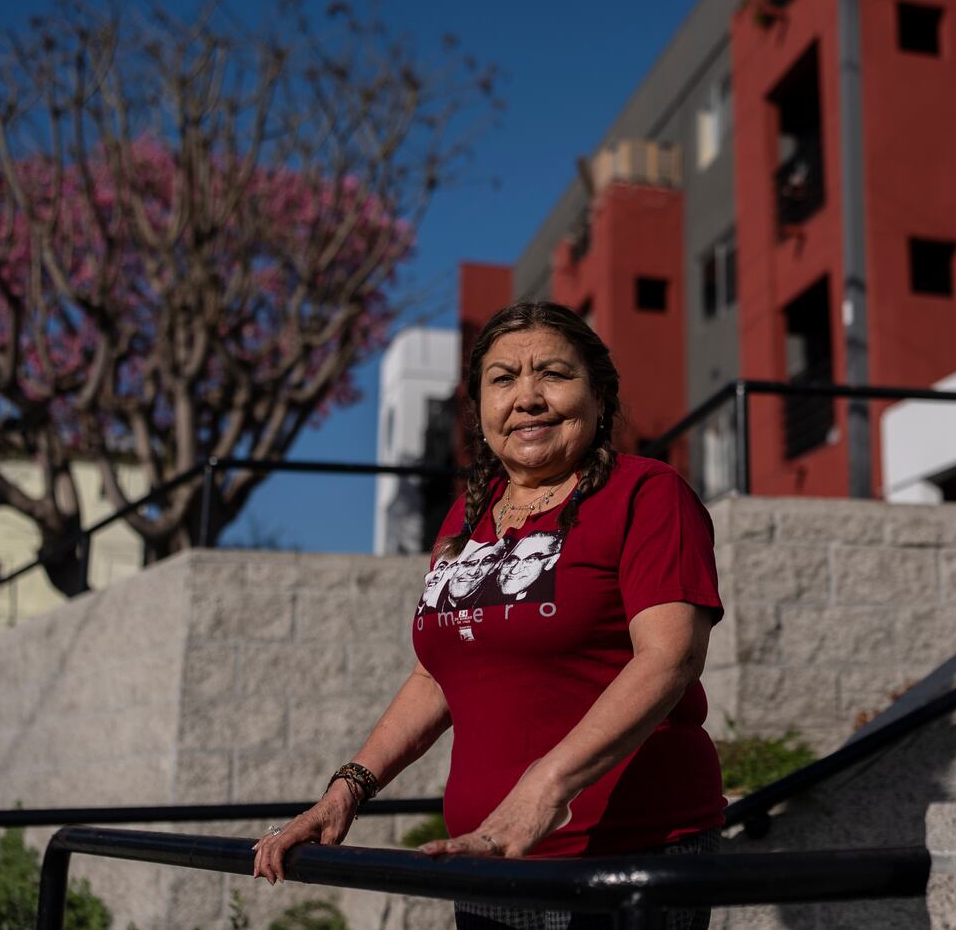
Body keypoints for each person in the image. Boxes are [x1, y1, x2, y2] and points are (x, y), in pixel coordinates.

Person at [252, 301, 727, 930]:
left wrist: (540, 794)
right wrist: (347, 789)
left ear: (600, 393)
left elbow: (670, 659)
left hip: (625, 854)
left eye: (553, 374)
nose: (527, 397)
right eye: (502, 379)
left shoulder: (647, 493)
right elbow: (435, 678)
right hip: (487, 855)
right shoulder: (465, 520)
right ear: (479, 410)